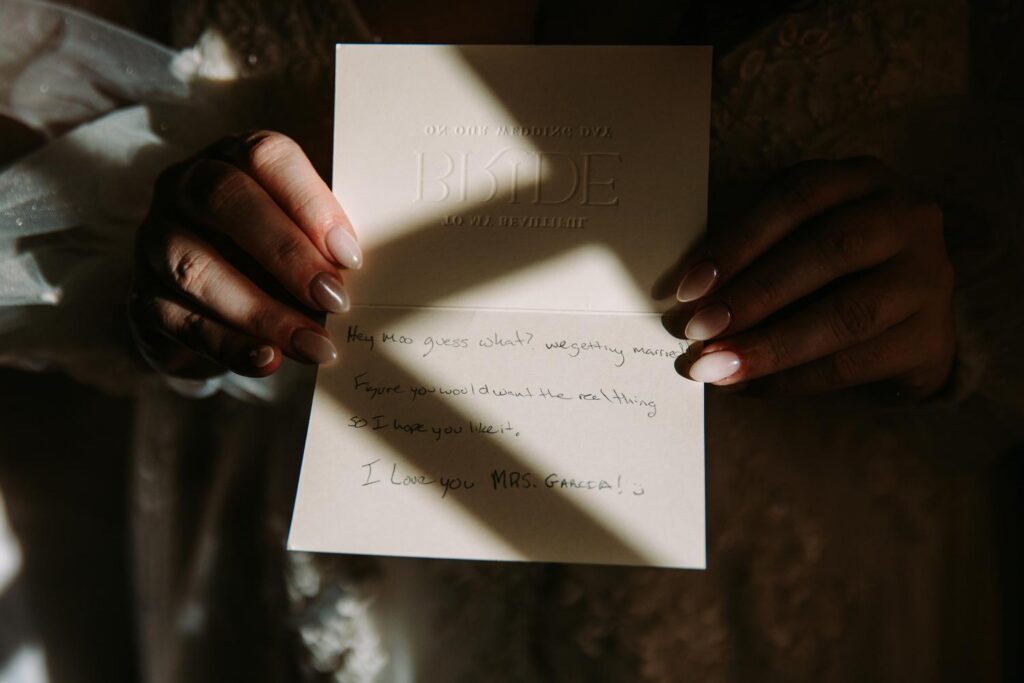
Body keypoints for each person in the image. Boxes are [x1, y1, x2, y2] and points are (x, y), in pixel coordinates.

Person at [1, 0, 1021, 681]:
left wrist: (945, 330)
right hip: (318, 578)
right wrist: (179, 290)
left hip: (812, 607)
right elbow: (51, 200)